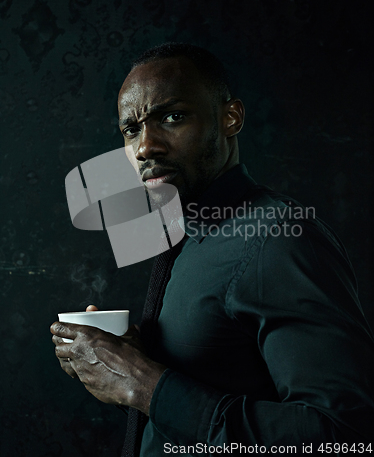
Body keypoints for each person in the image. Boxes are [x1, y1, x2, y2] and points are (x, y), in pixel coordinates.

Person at [51, 43, 374, 456]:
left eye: (173, 117)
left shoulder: (279, 237)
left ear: (230, 118)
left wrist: (146, 385)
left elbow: (345, 435)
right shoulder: (184, 232)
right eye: (132, 129)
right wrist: (127, 367)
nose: (145, 147)